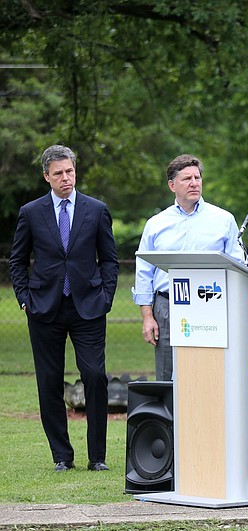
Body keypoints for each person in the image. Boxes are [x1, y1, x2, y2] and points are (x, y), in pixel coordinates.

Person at [9, 144, 119, 472]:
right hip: (44, 309)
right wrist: (25, 298)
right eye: (58, 173)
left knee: (95, 376)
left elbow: (109, 260)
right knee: (49, 381)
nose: (65, 177)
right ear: (47, 176)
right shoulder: (31, 213)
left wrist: (106, 297)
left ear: (75, 170)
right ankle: (62, 456)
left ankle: (97, 456)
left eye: (69, 171)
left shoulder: (97, 209)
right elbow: (17, 260)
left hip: (89, 307)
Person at [133, 154, 244, 380]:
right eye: (187, 179)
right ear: (172, 185)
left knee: (208, 374)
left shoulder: (223, 220)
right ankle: (171, 417)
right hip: (166, 306)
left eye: (197, 177)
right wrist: (147, 316)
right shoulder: (156, 224)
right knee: (167, 375)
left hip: (211, 304)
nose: (194, 183)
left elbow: (238, 266)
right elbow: (144, 271)